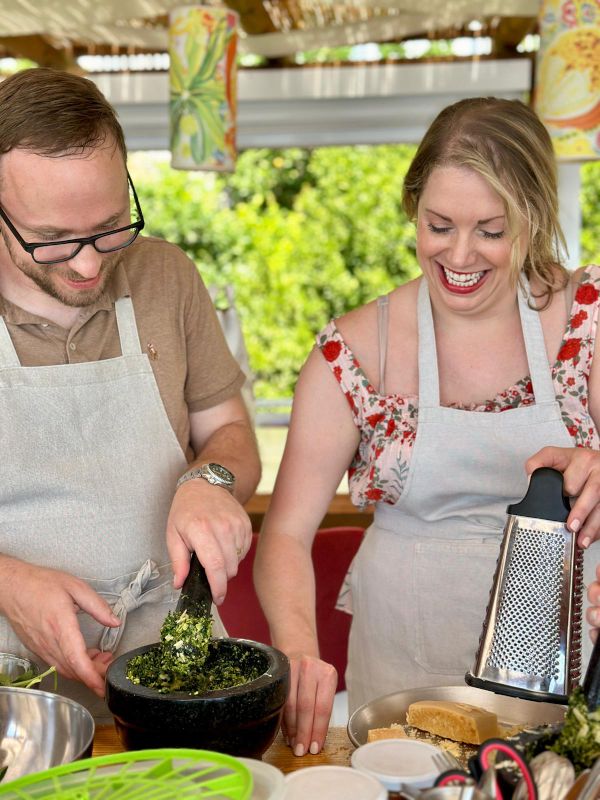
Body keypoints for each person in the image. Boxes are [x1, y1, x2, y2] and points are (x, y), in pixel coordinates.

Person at [254, 96, 600, 757]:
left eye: (491, 231)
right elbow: (286, 537)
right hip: (402, 680)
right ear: (414, 206)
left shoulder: (588, 316)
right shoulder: (352, 353)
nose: (460, 255)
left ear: (535, 217)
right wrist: (299, 652)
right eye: (439, 225)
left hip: (569, 678)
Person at [0, 68, 260, 720]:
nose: (90, 265)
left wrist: (213, 479)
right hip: (11, 681)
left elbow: (231, 437)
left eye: (112, 226)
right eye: (52, 240)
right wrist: (9, 585)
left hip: (170, 657)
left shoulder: (165, 277)